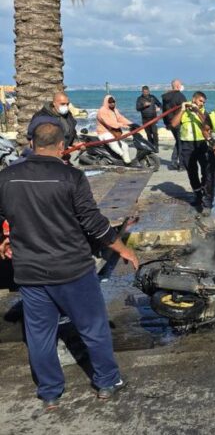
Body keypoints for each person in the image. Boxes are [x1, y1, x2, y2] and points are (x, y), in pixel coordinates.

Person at [0, 122, 139, 410]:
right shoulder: (71, 176)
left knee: (39, 335)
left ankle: (50, 392)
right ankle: (106, 383)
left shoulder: (8, 177)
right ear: (62, 146)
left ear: (32, 143)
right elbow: (94, 224)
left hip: (30, 271)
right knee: (93, 328)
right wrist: (122, 248)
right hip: (73, 270)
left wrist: (4, 237)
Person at [169, 91, 214, 215]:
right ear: (194, 99)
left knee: (206, 171)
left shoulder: (203, 112)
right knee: (191, 172)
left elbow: (208, 125)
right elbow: (173, 124)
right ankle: (198, 195)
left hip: (201, 143)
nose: (201, 104)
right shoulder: (184, 111)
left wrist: (197, 111)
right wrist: (183, 110)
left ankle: (206, 199)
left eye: (203, 102)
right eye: (200, 101)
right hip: (187, 145)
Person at [96, 95, 133, 165]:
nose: (112, 103)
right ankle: (122, 155)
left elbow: (120, 118)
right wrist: (123, 126)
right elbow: (110, 123)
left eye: (113, 102)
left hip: (113, 132)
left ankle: (127, 162)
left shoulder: (114, 110)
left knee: (125, 146)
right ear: (106, 102)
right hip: (103, 132)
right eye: (110, 102)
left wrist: (131, 124)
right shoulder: (102, 111)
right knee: (111, 141)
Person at [162, 79, 187, 170]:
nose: (181, 86)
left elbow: (164, 110)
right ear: (177, 86)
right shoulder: (180, 96)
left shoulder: (166, 97)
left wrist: (166, 124)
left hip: (170, 123)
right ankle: (181, 164)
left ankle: (173, 162)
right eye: (180, 85)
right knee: (181, 143)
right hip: (178, 122)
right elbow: (186, 109)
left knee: (178, 141)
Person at [135, 85, 162, 151]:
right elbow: (137, 108)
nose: (146, 93)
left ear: (149, 91)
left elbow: (160, 104)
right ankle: (151, 145)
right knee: (148, 133)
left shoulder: (152, 97)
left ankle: (156, 146)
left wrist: (159, 108)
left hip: (153, 118)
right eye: (144, 92)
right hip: (145, 119)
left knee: (154, 132)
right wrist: (144, 106)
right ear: (142, 92)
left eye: (147, 92)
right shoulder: (139, 99)